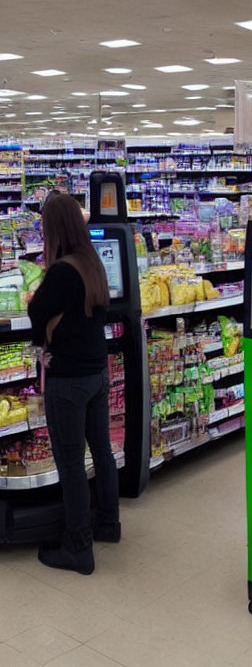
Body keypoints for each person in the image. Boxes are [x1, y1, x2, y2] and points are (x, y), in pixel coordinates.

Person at [28, 193, 121, 575]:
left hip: (68, 378)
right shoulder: (92, 262)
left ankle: (78, 547)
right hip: (97, 371)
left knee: (70, 464)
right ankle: (109, 524)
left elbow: (36, 310)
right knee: (101, 450)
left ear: (54, 228)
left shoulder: (62, 270)